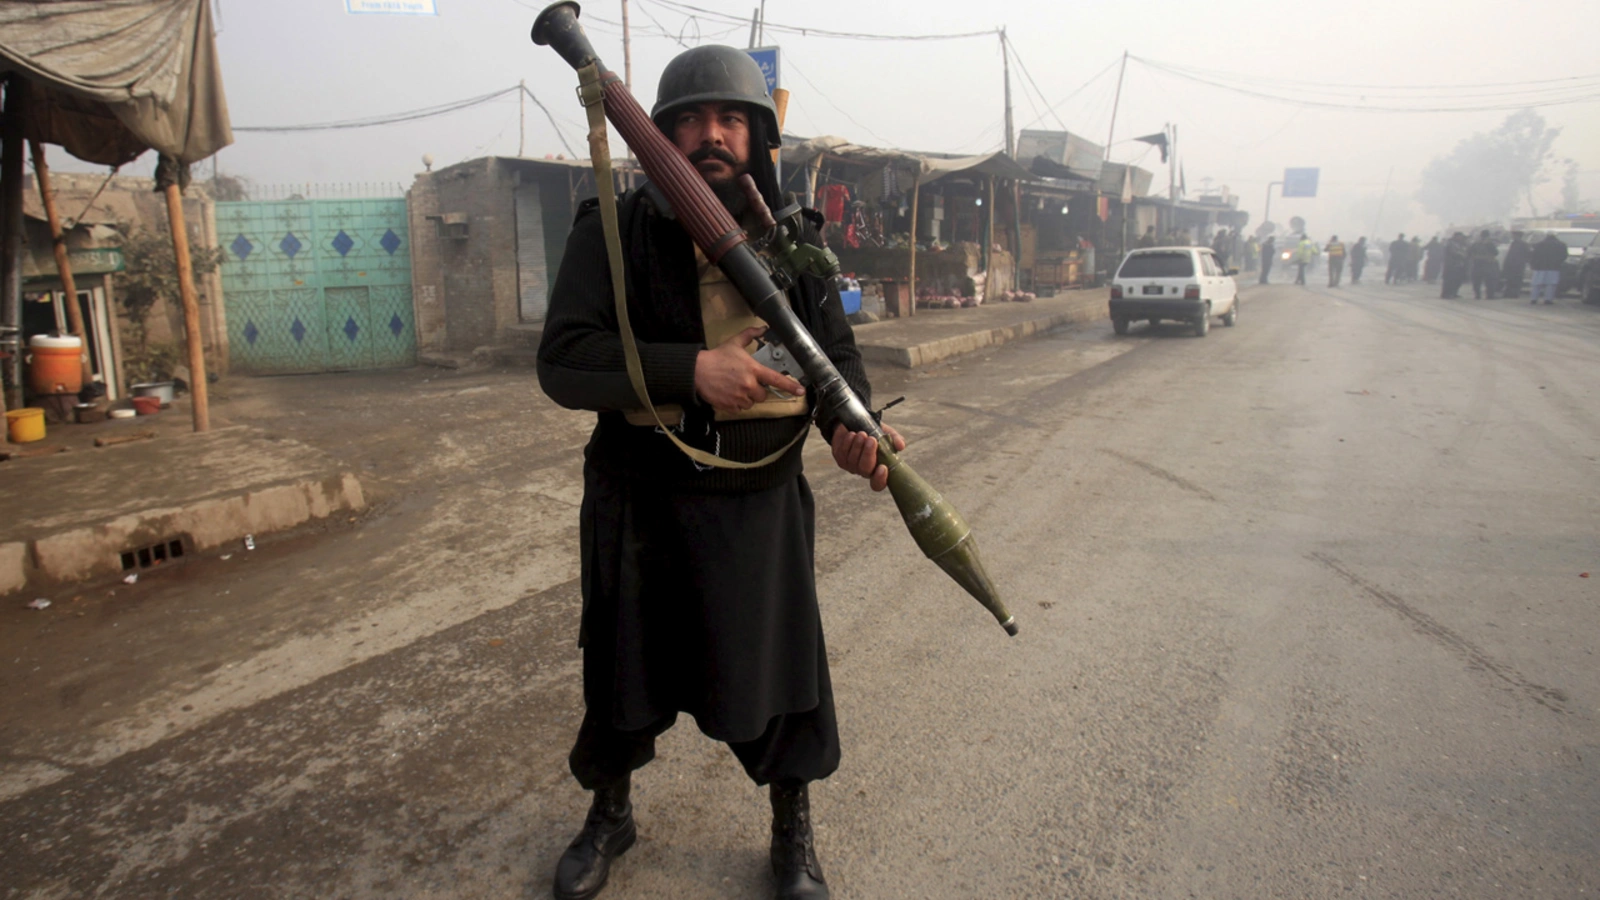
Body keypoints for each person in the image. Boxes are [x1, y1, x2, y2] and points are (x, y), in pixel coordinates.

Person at [537, 44, 900, 900]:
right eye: (691, 120)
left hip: (759, 505)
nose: (711, 137)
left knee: (781, 681)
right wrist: (688, 371)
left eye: (730, 119)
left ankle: (791, 829)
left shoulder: (796, 244)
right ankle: (611, 813)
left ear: (758, 138)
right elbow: (564, 362)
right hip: (640, 501)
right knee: (622, 676)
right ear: (659, 136)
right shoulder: (614, 231)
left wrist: (857, 429)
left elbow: (834, 364)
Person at [1529, 232, 1566, 305]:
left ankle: (1534, 299)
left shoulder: (1539, 245)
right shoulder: (1561, 245)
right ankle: (1548, 299)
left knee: (1537, 284)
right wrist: (1559, 262)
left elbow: (1533, 255)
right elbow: (1564, 255)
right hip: (1554, 267)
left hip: (1539, 267)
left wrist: (1533, 264)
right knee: (1551, 284)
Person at [1468, 230, 1500, 299]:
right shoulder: (1490, 243)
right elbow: (1496, 252)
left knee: (1477, 280)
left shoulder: (1476, 243)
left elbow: (1469, 252)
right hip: (1488, 264)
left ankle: (1477, 295)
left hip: (1477, 264)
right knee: (1489, 281)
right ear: (1488, 235)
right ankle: (1490, 295)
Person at [1441, 232, 1470, 299]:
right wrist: (1462, 255)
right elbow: (1453, 253)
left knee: (1457, 280)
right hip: (1451, 264)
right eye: (1460, 236)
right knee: (1450, 280)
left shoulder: (1460, 244)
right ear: (1456, 236)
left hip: (1458, 264)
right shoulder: (1450, 243)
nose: (1461, 238)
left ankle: (1453, 293)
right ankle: (1447, 294)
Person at [1501, 231, 1530, 298]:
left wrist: (1524, 262)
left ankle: (1515, 294)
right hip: (1512, 265)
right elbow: (1510, 254)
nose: (1512, 236)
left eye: (1514, 235)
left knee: (1517, 280)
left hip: (1518, 265)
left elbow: (1527, 255)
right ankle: (1509, 293)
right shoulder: (1513, 243)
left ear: (1518, 236)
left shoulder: (1523, 244)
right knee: (1510, 280)